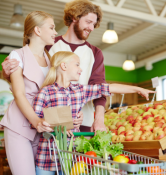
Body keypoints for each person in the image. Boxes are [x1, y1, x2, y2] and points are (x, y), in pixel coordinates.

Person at [2, 0, 119, 133]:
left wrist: (98, 120)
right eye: (88, 22)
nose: (92, 28)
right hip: (51, 121)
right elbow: (29, 76)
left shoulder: (95, 53)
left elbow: (99, 88)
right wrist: (7, 74)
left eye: (94, 24)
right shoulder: (48, 45)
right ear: (75, 17)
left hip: (83, 121)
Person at [33, 51, 155, 174]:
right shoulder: (45, 92)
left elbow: (107, 88)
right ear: (64, 66)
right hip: (47, 158)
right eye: (77, 64)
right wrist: (55, 124)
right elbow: (35, 122)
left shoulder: (80, 91)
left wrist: (137, 89)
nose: (81, 69)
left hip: (71, 159)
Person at [0, 11, 79, 175]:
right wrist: (36, 121)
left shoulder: (51, 60)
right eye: (51, 27)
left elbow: (57, 94)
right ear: (37, 30)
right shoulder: (17, 55)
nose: (55, 32)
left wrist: (72, 117)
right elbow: (19, 94)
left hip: (43, 130)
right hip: (20, 127)